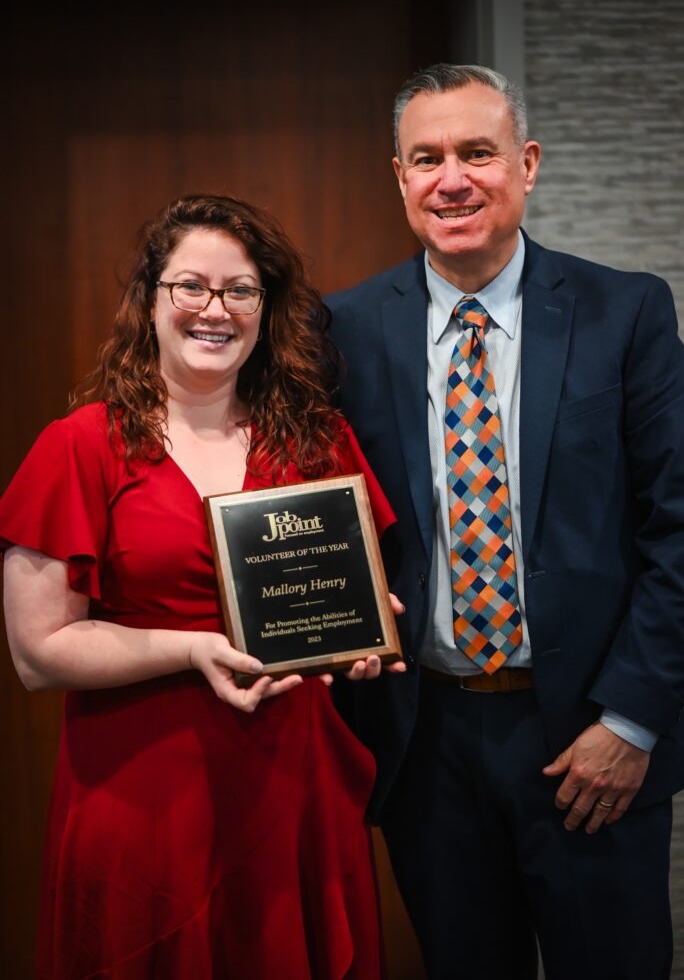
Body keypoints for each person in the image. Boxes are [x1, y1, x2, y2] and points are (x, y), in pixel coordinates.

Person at [327, 64, 684, 980]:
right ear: (399, 177)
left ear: (526, 164)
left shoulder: (626, 312)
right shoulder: (344, 329)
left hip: (589, 738)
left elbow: (677, 528)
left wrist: (633, 721)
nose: (452, 179)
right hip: (426, 742)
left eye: (477, 154)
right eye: (427, 159)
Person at [0, 194, 401, 980]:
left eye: (240, 290)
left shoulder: (317, 440)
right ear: (150, 299)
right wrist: (192, 651)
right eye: (191, 286)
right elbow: (38, 654)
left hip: (295, 793)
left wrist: (363, 633)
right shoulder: (79, 446)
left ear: (265, 309)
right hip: (145, 799)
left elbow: (358, 596)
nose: (215, 310)